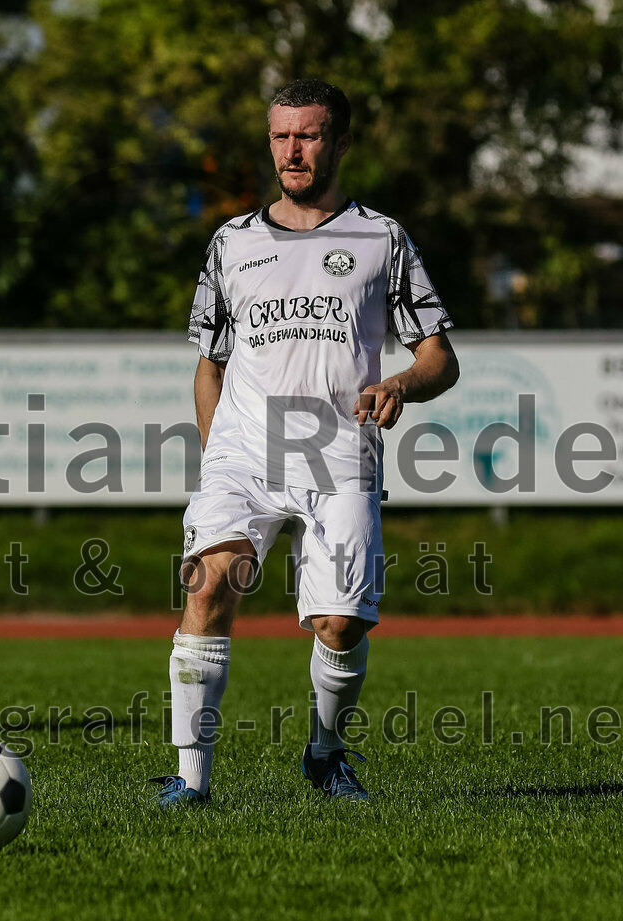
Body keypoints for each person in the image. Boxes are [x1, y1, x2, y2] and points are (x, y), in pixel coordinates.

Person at [149, 77, 460, 805]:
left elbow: (439, 355)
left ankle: (324, 753)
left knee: (341, 621)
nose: (293, 149)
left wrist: (401, 386)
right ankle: (190, 781)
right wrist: (216, 452)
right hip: (244, 451)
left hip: (337, 449)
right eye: (281, 135)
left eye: (309, 134)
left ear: (340, 143)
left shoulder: (381, 238)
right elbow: (210, 361)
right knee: (209, 581)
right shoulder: (231, 242)